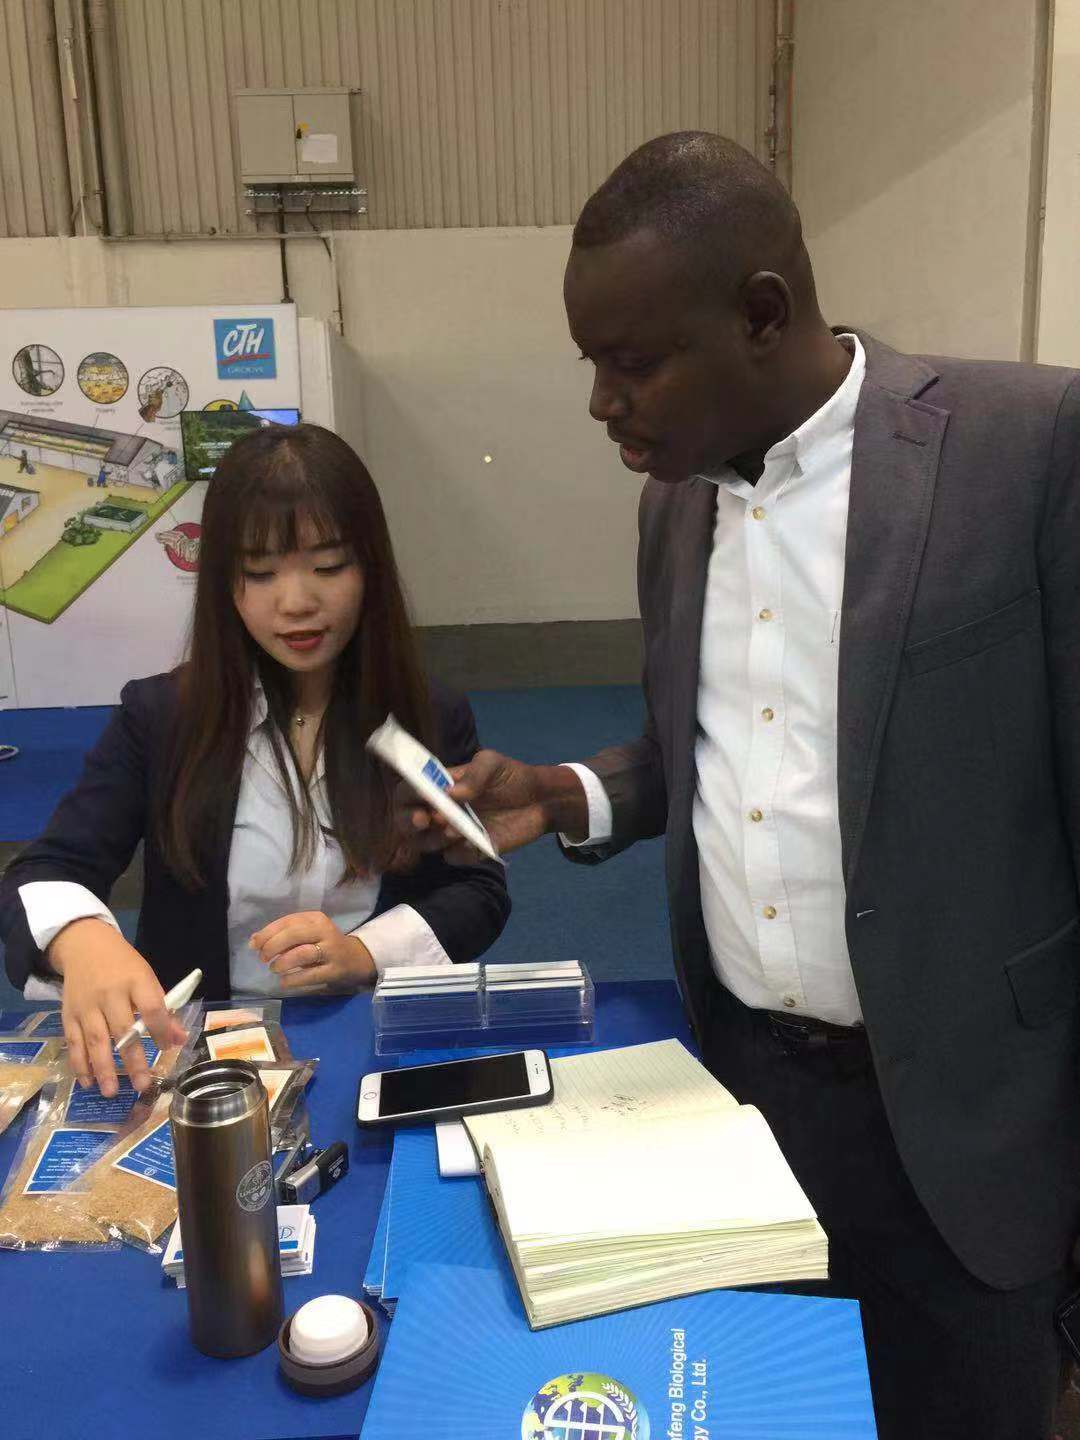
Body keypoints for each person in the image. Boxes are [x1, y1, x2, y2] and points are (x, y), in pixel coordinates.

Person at [401, 133, 1080, 1439]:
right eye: (590, 363)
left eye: (631, 362)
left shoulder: (1026, 450)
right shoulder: (676, 507)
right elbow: (709, 752)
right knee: (758, 1408)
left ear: (762, 315)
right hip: (746, 1102)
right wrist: (563, 793)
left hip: (970, 1125)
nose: (601, 403)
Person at [0, 423, 509, 1100]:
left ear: (371, 569)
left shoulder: (423, 718)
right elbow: (44, 871)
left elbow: (478, 889)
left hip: (369, 1037)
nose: (296, 602)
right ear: (224, 583)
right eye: (260, 573)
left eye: (329, 566)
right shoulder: (163, 717)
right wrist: (84, 939)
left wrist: (364, 953)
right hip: (201, 1062)